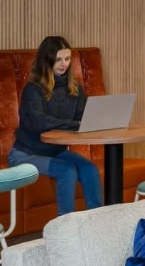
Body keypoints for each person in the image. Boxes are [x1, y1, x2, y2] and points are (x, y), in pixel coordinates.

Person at [8, 36, 104, 214]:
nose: (64, 64)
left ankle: (98, 219)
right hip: (25, 154)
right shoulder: (33, 89)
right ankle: (64, 225)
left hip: (55, 151)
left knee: (90, 169)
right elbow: (39, 122)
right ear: (47, 60)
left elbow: (83, 118)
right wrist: (74, 124)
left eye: (67, 59)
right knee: (67, 170)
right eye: (58, 59)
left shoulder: (75, 88)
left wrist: (98, 120)